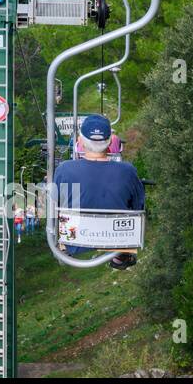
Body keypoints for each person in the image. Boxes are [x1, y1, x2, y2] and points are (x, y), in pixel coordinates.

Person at [53, 114, 144, 269]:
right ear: (109, 142)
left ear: (80, 141)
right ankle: (121, 255)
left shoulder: (65, 169)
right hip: (116, 238)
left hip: (75, 238)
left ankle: (65, 247)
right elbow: (137, 205)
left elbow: (56, 204)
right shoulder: (127, 171)